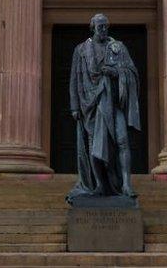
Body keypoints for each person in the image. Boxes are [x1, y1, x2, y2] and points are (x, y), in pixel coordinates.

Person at [67, 13, 141, 202]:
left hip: (113, 103)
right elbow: (74, 80)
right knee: (94, 147)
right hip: (89, 106)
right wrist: (74, 106)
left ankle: (126, 184)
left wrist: (116, 72)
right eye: (100, 26)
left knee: (123, 140)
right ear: (92, 27)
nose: (103, 29)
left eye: (106, 26)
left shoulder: (118, 48)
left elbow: (132, 72)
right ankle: (99, 184)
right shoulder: (81, 50)